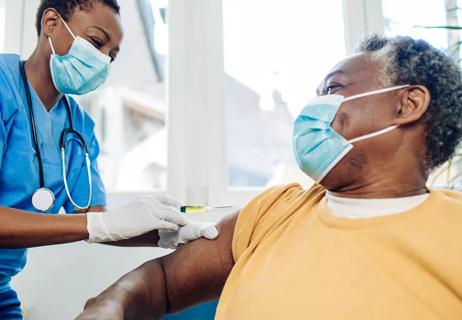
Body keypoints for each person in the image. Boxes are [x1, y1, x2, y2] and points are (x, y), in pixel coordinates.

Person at [77, 34, 462, 320]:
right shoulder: (274, 211)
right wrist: (108, 306)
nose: (315, 107)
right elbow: (161, 281)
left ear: (407, 104)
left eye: (333, 88)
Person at [0, 0, 218, 318]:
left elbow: (96, 219)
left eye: (111, 56)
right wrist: (102, 224)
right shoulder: (3, 89)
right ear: (51, 23)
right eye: (96, 42)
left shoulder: (78, 127)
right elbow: (97, 225)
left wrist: (164, 232)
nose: (102, 60)